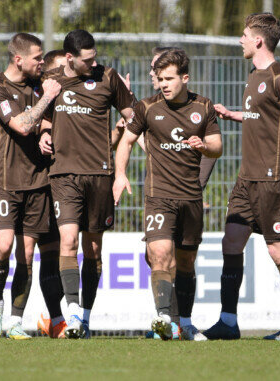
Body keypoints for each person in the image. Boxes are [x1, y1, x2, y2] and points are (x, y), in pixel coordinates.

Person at [204, 12, 280, 341]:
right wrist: (233, 114)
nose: (240, 40)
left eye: (244, 35)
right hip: (246, 180)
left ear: (258, 41)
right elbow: (261, 116)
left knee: (277, 250)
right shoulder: (254, 76)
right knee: (231, 242)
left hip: (273, 178)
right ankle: (227, 321)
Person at [114, 48, 222, 341]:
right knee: (160, 253)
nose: (163, 84)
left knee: (186, 263)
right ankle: (164, 318)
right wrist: (120, 174)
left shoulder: (204, 106)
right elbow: (126, 142)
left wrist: (203, 146)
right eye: (160, 78)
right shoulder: (148, 108)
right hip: (159, 196)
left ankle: (184, 322)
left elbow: (217, 146)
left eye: (169, 78)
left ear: (185, 78)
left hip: (190, 197)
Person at [39, 29, 135, 339]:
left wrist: (122, 167)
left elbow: (133, 117)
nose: (94, 63)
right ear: (70, 58)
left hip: (100, 175)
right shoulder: (51, 81)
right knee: (67, 240)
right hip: (63, 173)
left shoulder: (108, 78)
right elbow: (43, 115)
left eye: (95, 57)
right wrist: (43, 132)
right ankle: (73, 314)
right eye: (87, 60)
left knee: (92, 249)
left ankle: (87, 317)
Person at [0, 33, 62, 340]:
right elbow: (22, 124)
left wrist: (46, 132)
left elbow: (42, 122)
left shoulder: (38, 85)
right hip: (4, 182)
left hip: (37, 183)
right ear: (19, 59)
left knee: (26, 255)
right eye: (37, 58)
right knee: (3, 247)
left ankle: (16, 321)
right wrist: (46, 99)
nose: (42, 63)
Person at [35, 49, 70, 339]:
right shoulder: (37, 98)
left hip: (75, 183)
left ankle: (73, 317)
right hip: (41, 185)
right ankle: (56, 319)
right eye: (59, 70)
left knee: (71, 252)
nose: (65, 75)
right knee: (49, 252)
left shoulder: (79, 95)